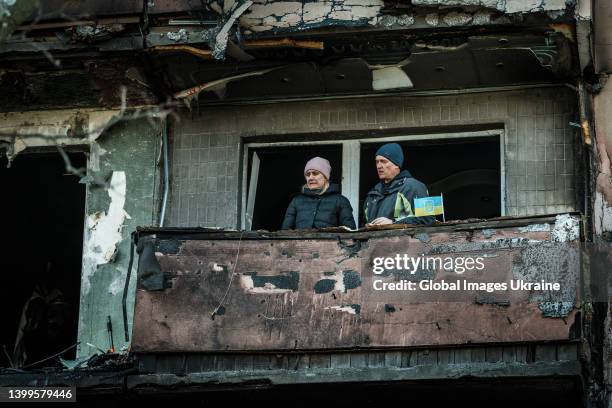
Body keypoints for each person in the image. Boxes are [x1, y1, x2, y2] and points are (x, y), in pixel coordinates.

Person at [364, 143, 435, 226]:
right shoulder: (373, 193)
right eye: (377, 162)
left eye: (383, 161)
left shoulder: (415, 186)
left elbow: (428, 219)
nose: (379, 166)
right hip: (375, 239)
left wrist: (393, 223)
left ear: (396, 165)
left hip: (405, 238)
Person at [281, 157, 356, 230]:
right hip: (298, 243)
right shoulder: (296, 201)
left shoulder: (340, 200)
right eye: (308, 174)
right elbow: (285, 231)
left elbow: (349, 231)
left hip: (330, 242)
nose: (310, 177)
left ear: (325, 177)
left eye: (315, 173)